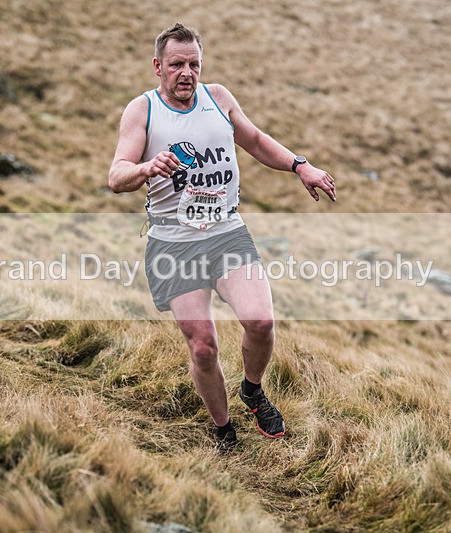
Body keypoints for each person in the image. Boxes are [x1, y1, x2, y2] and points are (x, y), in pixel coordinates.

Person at [108, 23, 336, 452]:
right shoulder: (142, 111)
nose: (186, 73)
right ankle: (223, 428)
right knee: (203, 348)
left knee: (261, 322)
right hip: (174, 243)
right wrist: (145, 168)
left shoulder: (219, 98)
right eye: (176, 64)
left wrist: (299, 165)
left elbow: (254, 140)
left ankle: (252, 390)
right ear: (158, 66)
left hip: (226, 231)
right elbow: (116, 175)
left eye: (194, 63)